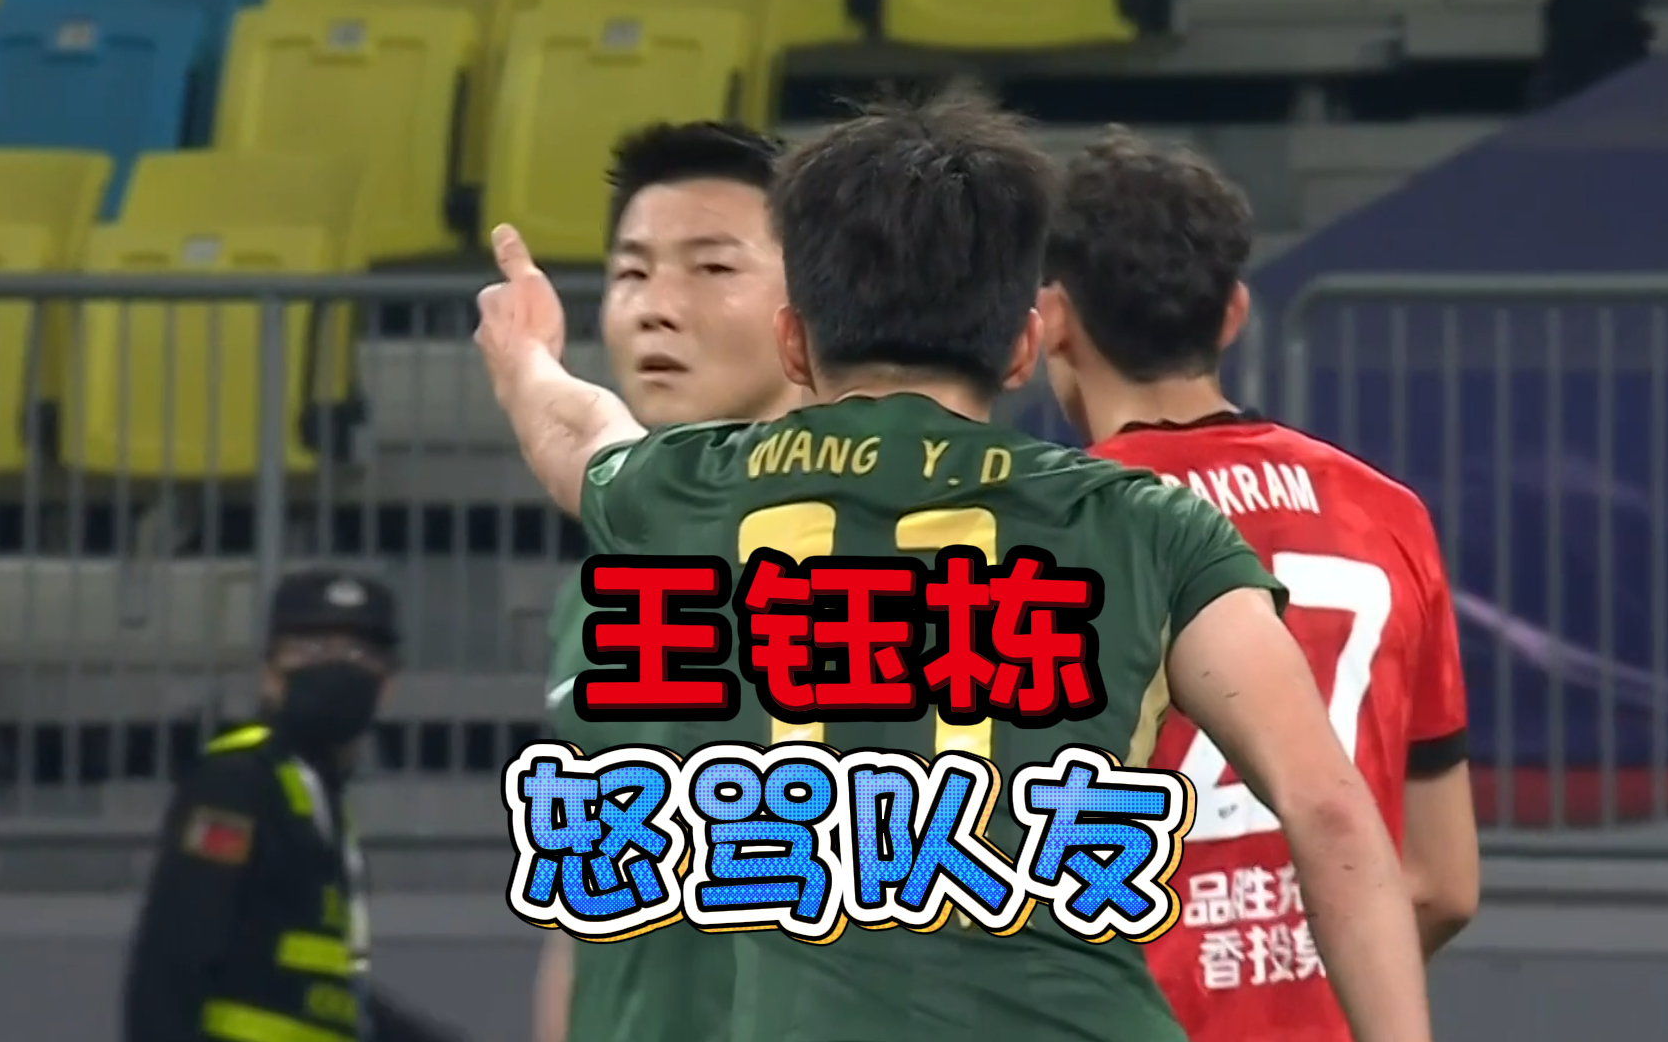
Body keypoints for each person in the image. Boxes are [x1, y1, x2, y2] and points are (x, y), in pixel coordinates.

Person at [475, 88, 1434, 1042]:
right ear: (1023, 345)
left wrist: (525, 358)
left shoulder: (695, 493)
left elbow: (578, 435)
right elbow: (1329, 810)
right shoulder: (1150, 524)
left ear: (793, 341)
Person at [1037, 129, 1480, 1042]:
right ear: (1233, 313)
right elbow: (1445, 883)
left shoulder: (1044, 537)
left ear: (1053, 320)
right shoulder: (1385, 513)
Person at [533, 120, 800, 1042]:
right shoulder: (603, 585)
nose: (656, 307)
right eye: (633, 273)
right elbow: (582, 909)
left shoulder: (890, 566)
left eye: (712, 267)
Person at [122, 569, 462, 1042]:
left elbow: (320, 994)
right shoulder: (238, 782)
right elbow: (171, 965)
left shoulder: (318, 801)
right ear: (270, 675)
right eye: (311, 650)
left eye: (358, 655)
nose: (336, 669)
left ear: (386, 684)